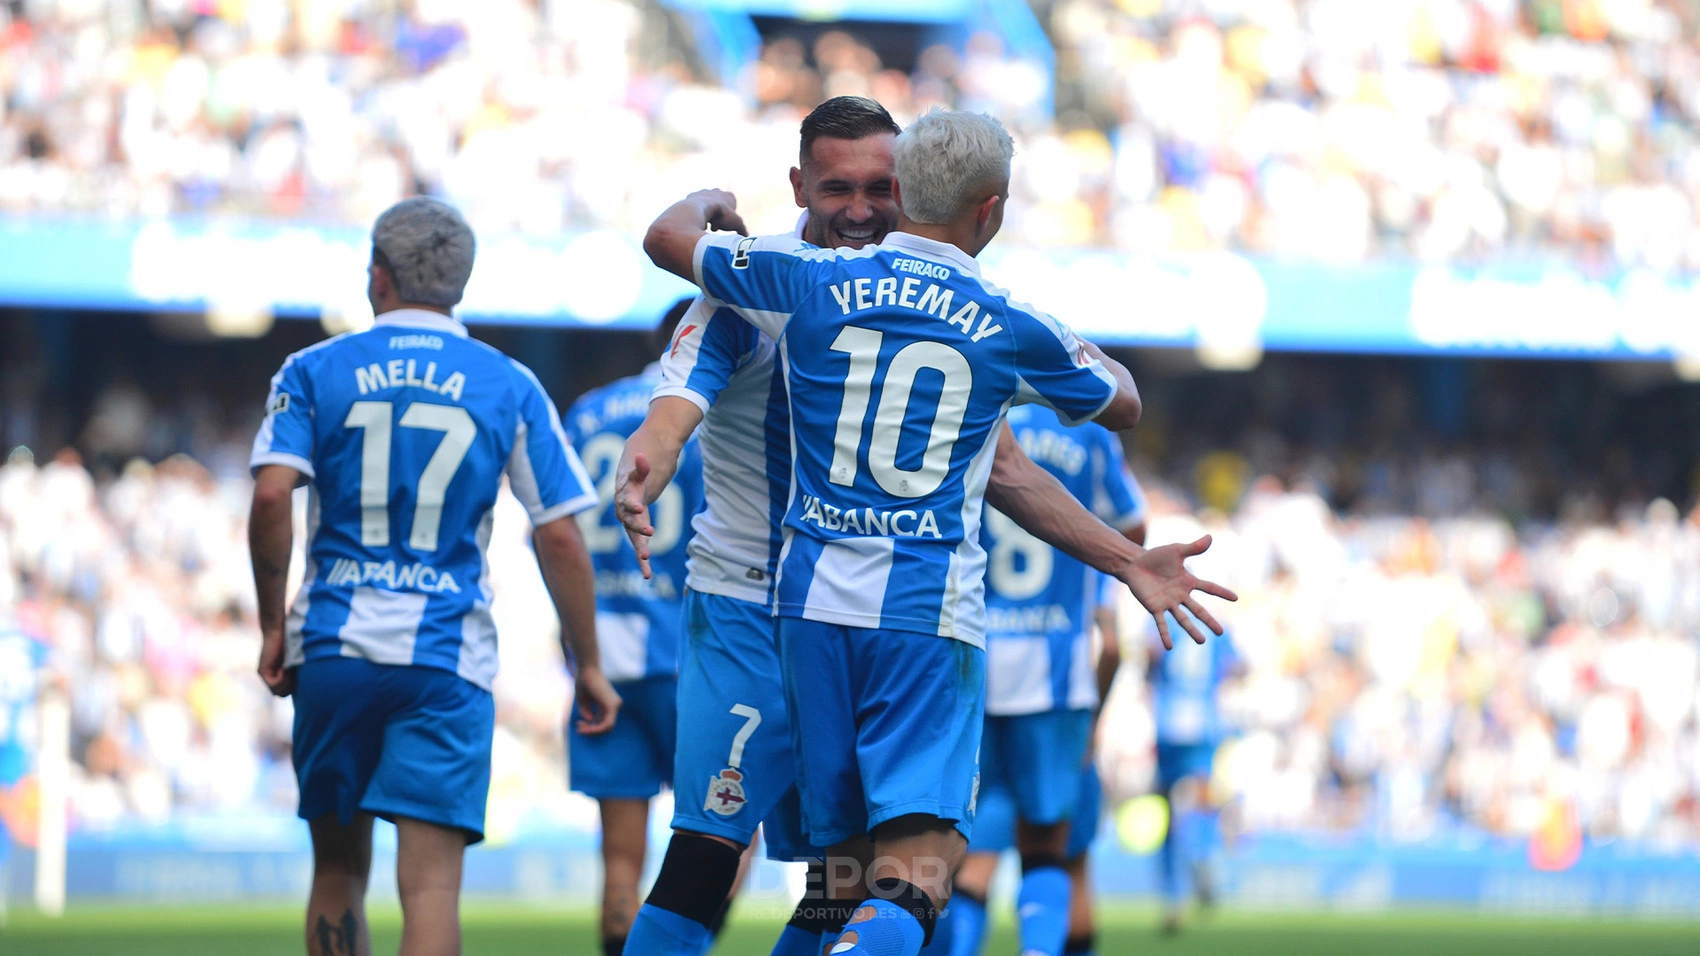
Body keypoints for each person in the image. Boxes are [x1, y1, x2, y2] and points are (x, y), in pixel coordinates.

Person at [616, 97, 1224, 956]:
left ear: (909, 188)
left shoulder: (794, 281)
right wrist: (651, 455)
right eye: (838, 189)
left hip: (809, 607)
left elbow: (1006, 471)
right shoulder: (969, 316)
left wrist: (1126, 560)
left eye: (880, 188)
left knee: (846, 875)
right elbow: (1120, 400)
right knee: (868, 867)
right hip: (834, 612)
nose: (861, 210)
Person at [248, 197, 621, 956]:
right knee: (430, 889)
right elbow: (560, 536)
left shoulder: (313, 369)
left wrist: (271, 623)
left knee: (338, 872)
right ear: (461, 281)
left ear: (376, 277)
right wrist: (587, 663)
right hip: (446, 659)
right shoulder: (508, 383)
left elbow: (268, 493)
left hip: (335, 648)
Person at [935, 407, 1146, 956]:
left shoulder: (969, 412)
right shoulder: (1088, 432)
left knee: (968, 848)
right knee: (1050, 845)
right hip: (1056, 669)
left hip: (971, 660)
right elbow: (1133, 525)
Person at [561, 299, 708, 956]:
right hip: (694, 659)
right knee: (724, 836)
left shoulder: (587, 411)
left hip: (603, 658)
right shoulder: (714, 417)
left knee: (620, 857)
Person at [1147, 609, 1243, 934]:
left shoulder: (1161, 616)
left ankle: (1173, 893)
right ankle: (1204, 859)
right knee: (1202, 801)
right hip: (1203, 723)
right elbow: (1238, 666)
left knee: (1169, 810)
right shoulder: (1215, 623)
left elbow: (1148, 654)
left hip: (1168, 724)